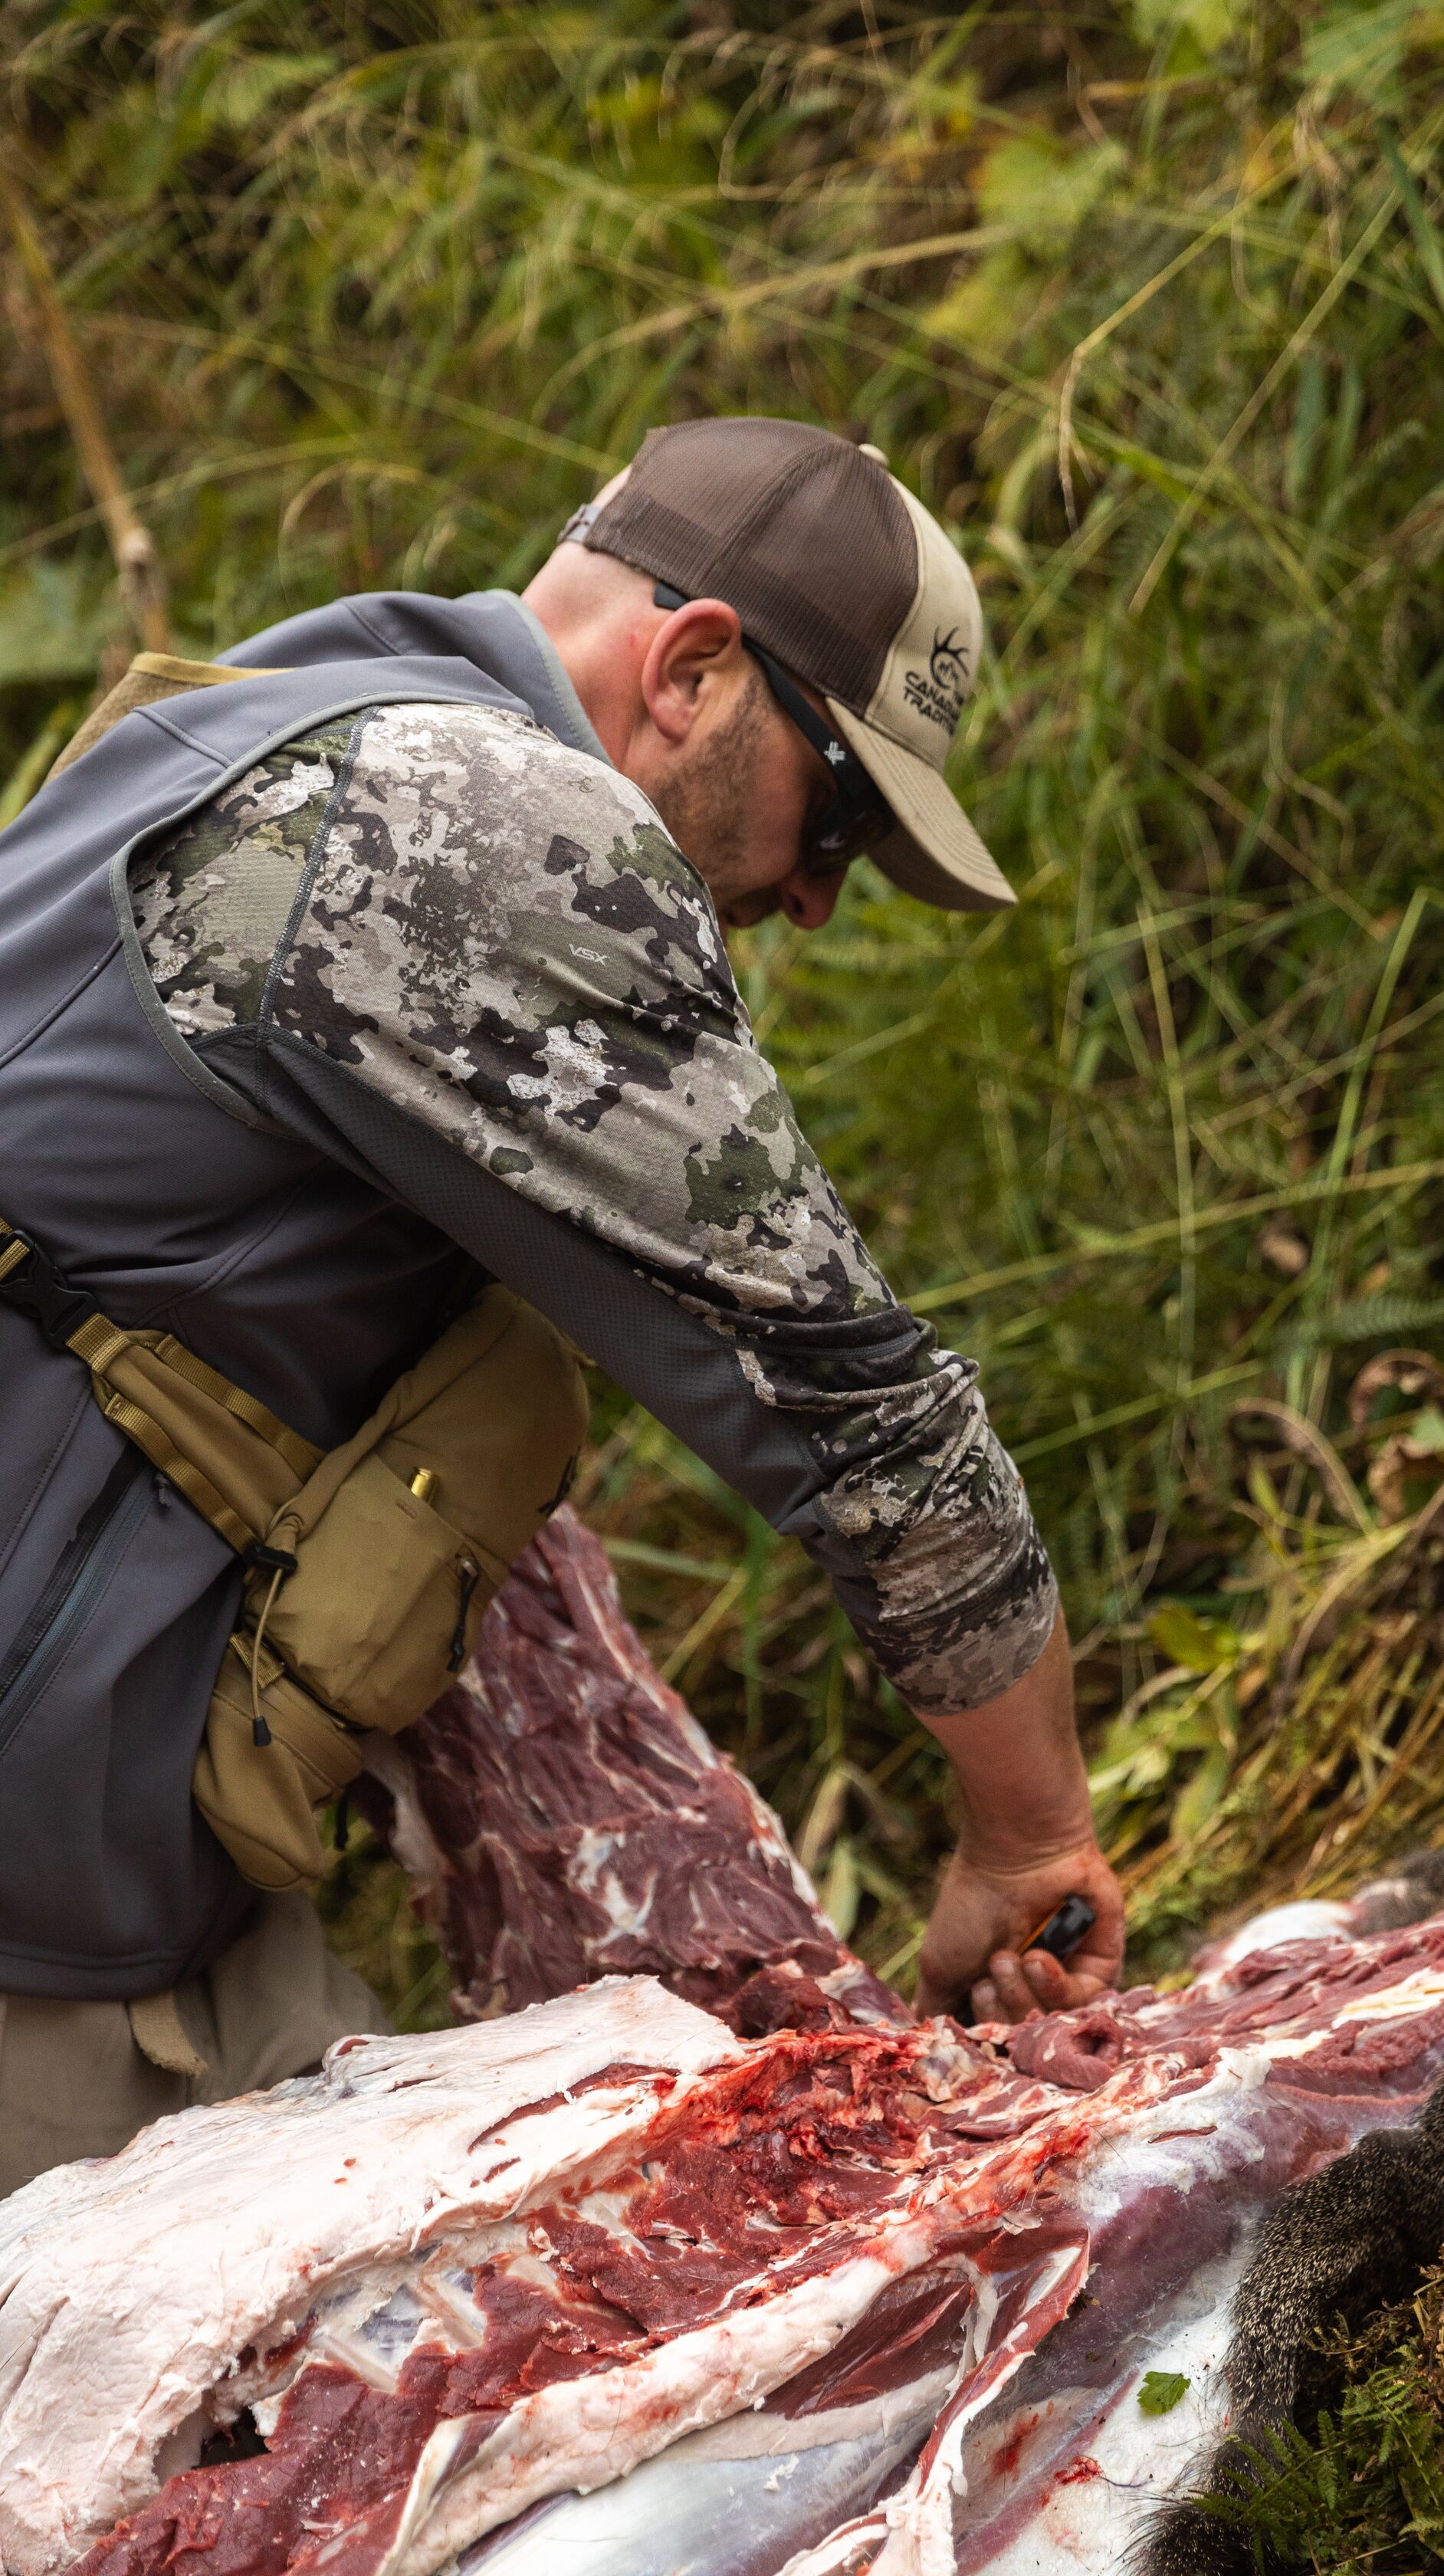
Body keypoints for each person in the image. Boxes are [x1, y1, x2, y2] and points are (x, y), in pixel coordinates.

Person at [0, 416, 1123, 2193]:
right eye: (838, 812)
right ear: (691, 669)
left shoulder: (300, 701)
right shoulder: (477, 829)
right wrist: (1031, 1837)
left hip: (118, 1868)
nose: (817, 899)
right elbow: (855, 1413)